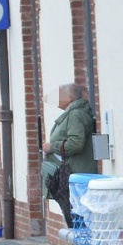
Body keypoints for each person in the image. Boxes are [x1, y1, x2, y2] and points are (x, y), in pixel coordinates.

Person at [41, 82, 96, 233]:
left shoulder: (75, 114)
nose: (55, 99)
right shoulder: (73, 113)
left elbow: (76, 143)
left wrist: (52, 147)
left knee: (77, 215)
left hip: (75, 173)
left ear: (70, 97)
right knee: (74, 214)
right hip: (73, 172)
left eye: (59, 95)